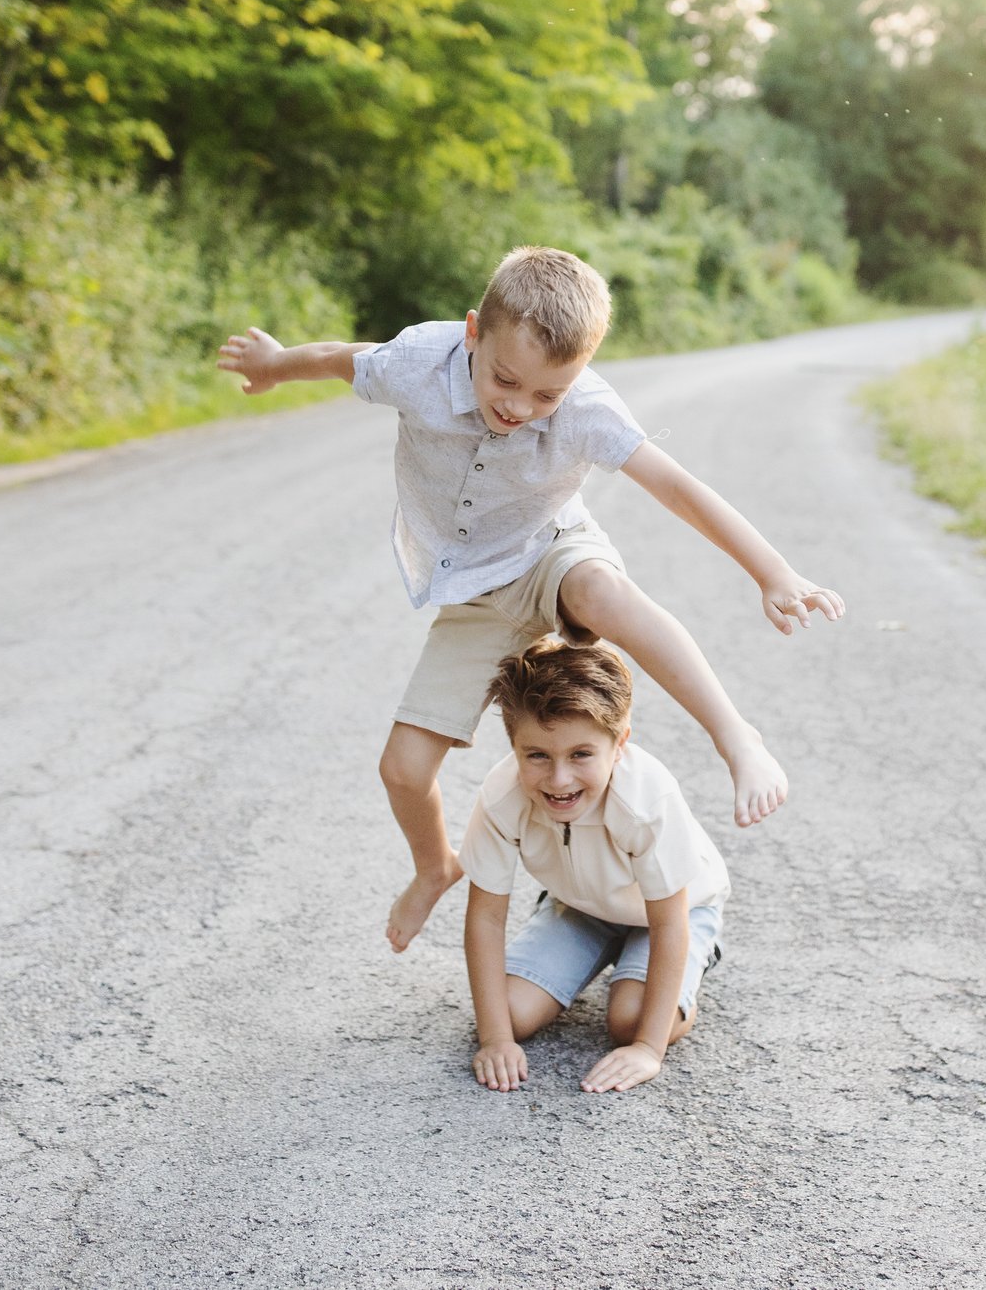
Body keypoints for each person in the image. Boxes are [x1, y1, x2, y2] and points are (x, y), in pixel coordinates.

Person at [215, 245, 841, 950]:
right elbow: (341, 356)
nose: (520, 407)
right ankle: (434, 868)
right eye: (506, 381)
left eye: (547, 395)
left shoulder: (588, 408)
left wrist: (773, 571)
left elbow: (678, 487)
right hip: (475, 593)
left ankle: (737, 737)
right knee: (402, 768)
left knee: (602, 591)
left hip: (553, 549)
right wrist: (274, 364)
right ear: (472, 332)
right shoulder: (421, 360)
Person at [460, 639, 726, 1093]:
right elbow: (485, 917)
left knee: (629, 1021)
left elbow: (669, 922)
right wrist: (495, 1039)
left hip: (671, 914)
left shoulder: (645, 801)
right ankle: (596, 950)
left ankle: (686, 969)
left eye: (581, 754)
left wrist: (647, 1048)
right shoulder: (502, 797)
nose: (559, 779)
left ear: (619, 743)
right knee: (508, 1013)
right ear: (514, 747)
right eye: (537, 755)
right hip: (580, 908)